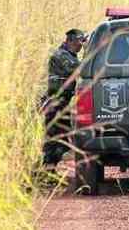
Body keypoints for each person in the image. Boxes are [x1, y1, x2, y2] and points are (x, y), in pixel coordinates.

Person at [41, 28, 87, 167]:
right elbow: (82, 69)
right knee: (55, 138)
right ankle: (47, 168)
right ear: (70, 40)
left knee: (63, 138)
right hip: (56, 103)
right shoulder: (61, 55)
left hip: (62, 103)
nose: (81, 44)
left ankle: (49, 168)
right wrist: (88, 51)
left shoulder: (69, 55)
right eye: (81, 41)